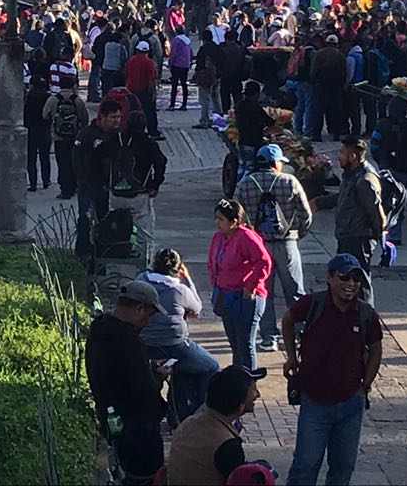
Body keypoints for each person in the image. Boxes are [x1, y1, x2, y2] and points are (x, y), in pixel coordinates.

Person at [282, 254, 383, 486]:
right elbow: (287, 320)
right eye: (344, 278)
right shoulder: (313, 304)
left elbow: (376, 350)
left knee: (343, 468)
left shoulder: (366, 313)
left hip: (350, 403)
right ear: (329, 278)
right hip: (315, 400)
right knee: (305, 466)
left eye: (356, 280)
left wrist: (364, 386)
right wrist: (291, 357)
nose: (351, 285)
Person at [85, 281, 166, 484]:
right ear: (140, 308)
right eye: (149, 315)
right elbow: (144, 390)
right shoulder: (129, 341)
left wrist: (147, 368)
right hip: (138, 428)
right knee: (145, 477)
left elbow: (117, 371)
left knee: (124, 471)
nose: (147, 322)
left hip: (111, 416)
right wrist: (158, 376)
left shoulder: (99, 329)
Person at [235, 144, 313, 354]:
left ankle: (269, 338)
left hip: (258, 247)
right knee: (295, 291)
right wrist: (298, 233)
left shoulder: (244, 184)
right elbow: (305, 214)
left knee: (264, 292)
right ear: (275, 163)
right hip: (287, 243)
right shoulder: (289, 181)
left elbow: (236, 217)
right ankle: (300, 333)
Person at [138, 248, 220, 421]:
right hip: (175, 346)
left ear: (154, 264)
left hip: (144, 344)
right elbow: (197, 308)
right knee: (210, 366)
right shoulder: (180, 290)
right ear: (179, 269)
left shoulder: (142, 280)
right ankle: (199, 415)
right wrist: (188, 279)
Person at [165, 366, 262, 486]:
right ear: (240, 406)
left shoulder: (188, 423)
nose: (258, 394)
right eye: (254, 389)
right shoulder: (227, 445)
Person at [207, 198, 272, 372]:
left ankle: (248, 383)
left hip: (246, 298)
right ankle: (238, 382)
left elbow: (263, 261)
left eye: (221, 219)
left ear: (234, 221)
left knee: (245, 344)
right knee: (235, 344)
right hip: (226, 296)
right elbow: (212, 261)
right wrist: (216, 282)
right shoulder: (219, 237)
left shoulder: (245, 236)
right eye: (216, 218)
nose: (217, 223)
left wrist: (250, 286)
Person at [333, 135, 385, 304]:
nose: (338, 156)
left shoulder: (364, 179)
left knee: (359, 281)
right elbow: (344, 197)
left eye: (341, 152)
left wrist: (380, 236)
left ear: (352, 156)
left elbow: (376, 211)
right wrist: (318, 202)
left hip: (359, 238)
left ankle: (366, 318)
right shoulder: (350, 174)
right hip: (347, 235)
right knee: (347, 279)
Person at [72, 99, 125, 264]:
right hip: (88, 185)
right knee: (85, 219)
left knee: (105, 221)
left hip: (109, 187)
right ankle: (82, 253)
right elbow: (76, 159)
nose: (116, 121)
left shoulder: (119, 135)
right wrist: (82, 180)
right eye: (113, 117)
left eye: (118, 117)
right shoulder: (87, 134)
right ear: (102, 117)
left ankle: (102, 253)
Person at [369, 96, 407, 245]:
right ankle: (395, 234)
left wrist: (381, 162)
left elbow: (374, 145)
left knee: (386, 200)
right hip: (406, 169)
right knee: (400, 199)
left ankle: (387, 232)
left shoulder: (383, 125)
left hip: (388, 166)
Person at [45, 73, 90, 200]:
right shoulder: (77, 100)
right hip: (74, 137)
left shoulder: (53, 99)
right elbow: (84, 118)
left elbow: (44, 114)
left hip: (59, 138)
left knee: (62, 163)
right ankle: (74, 185)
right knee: (74, 162)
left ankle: (65, 189)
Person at [123, 40, 161, 139]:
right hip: (145, 90)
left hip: (131, 90)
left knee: (132, 111)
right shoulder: (150, 63)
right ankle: (153, 132)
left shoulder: (130, 61)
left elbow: (126, 75)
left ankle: (133, 131)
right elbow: (152, 79)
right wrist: (154, 92)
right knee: (150, 112)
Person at [168, 24, 192, 110]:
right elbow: (191, 52)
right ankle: (184, 104)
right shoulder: (187, 40)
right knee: (184, 84)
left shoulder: (176, 40)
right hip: (185, 65)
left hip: (177, 64)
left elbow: (173, 53)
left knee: (174, 85)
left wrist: (170, 63)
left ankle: (172, 105)